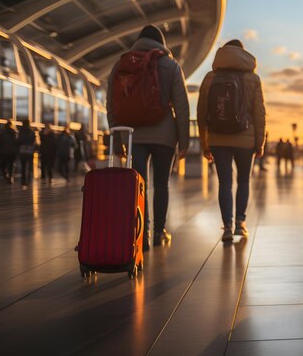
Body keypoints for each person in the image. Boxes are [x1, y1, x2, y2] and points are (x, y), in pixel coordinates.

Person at [107, 24, 190, 250]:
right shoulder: (171, 65)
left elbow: (112, 105)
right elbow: (181, 105)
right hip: (164, 135)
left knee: (138, 186)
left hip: (134, 136)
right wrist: (184, 141)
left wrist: (116, 140)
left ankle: (140, 236)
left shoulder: (121, 64)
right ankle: (158, 232)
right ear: (161, 43)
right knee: (161, 184)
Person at [197, 39, 266, 243]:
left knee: (224, 182)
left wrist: (204, 142)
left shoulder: (211, 77)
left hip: (218, 139)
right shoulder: (253, 78)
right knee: (243, 181)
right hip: (246, 139)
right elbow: (259, 113)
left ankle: (227, 226)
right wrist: (260, 142)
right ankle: (240, 224)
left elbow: (201, 112)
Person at [17, 120, 37, 189]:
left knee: (23, 168)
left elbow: (18, 142)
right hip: (29, 151)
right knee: (29, 167)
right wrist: (34, 149)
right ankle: (28, 182)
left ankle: (23, 183)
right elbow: (34, 142)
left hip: (22, 151)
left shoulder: (20, 132)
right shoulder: (31, 132)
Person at [0, 119, 18, 184]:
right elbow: (17, 142)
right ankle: (10, 177)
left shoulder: (3, 133)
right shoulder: (14, 132)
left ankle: (7, 176)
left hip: (4, 152)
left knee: (2, 165)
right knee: (11, 165)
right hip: (12, 152)